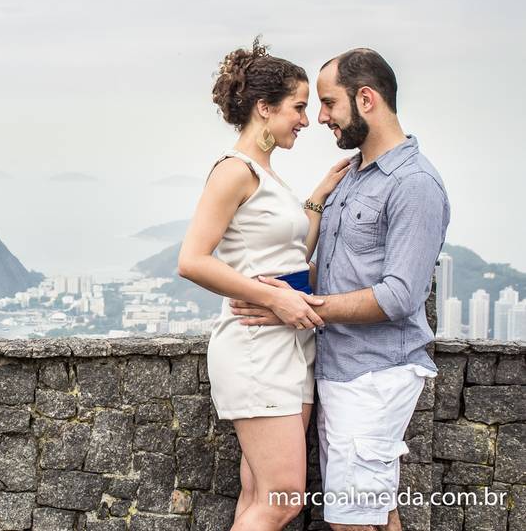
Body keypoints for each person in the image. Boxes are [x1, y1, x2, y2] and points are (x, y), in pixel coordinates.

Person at [230, 48, 451, 530]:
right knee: (375, 514)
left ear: (366, 98)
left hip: (374, 376)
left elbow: (398, 296)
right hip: (341, 371)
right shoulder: (352, 176)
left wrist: (299, 307)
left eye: (329, 103)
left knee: (351, 522)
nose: (321, 117)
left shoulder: (414, 184)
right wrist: (276, 293)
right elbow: (327, 267)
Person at [177, 37, 350, 531]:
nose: (305, 119)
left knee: (258, 495)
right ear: (263, 107)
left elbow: (290, 255)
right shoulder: (234, 171)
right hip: (256, 347)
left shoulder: (270, 176)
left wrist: (317, 196)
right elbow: (192, 260)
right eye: (298, 107)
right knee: (283, 500)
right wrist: (273, 297)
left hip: (290, 344)